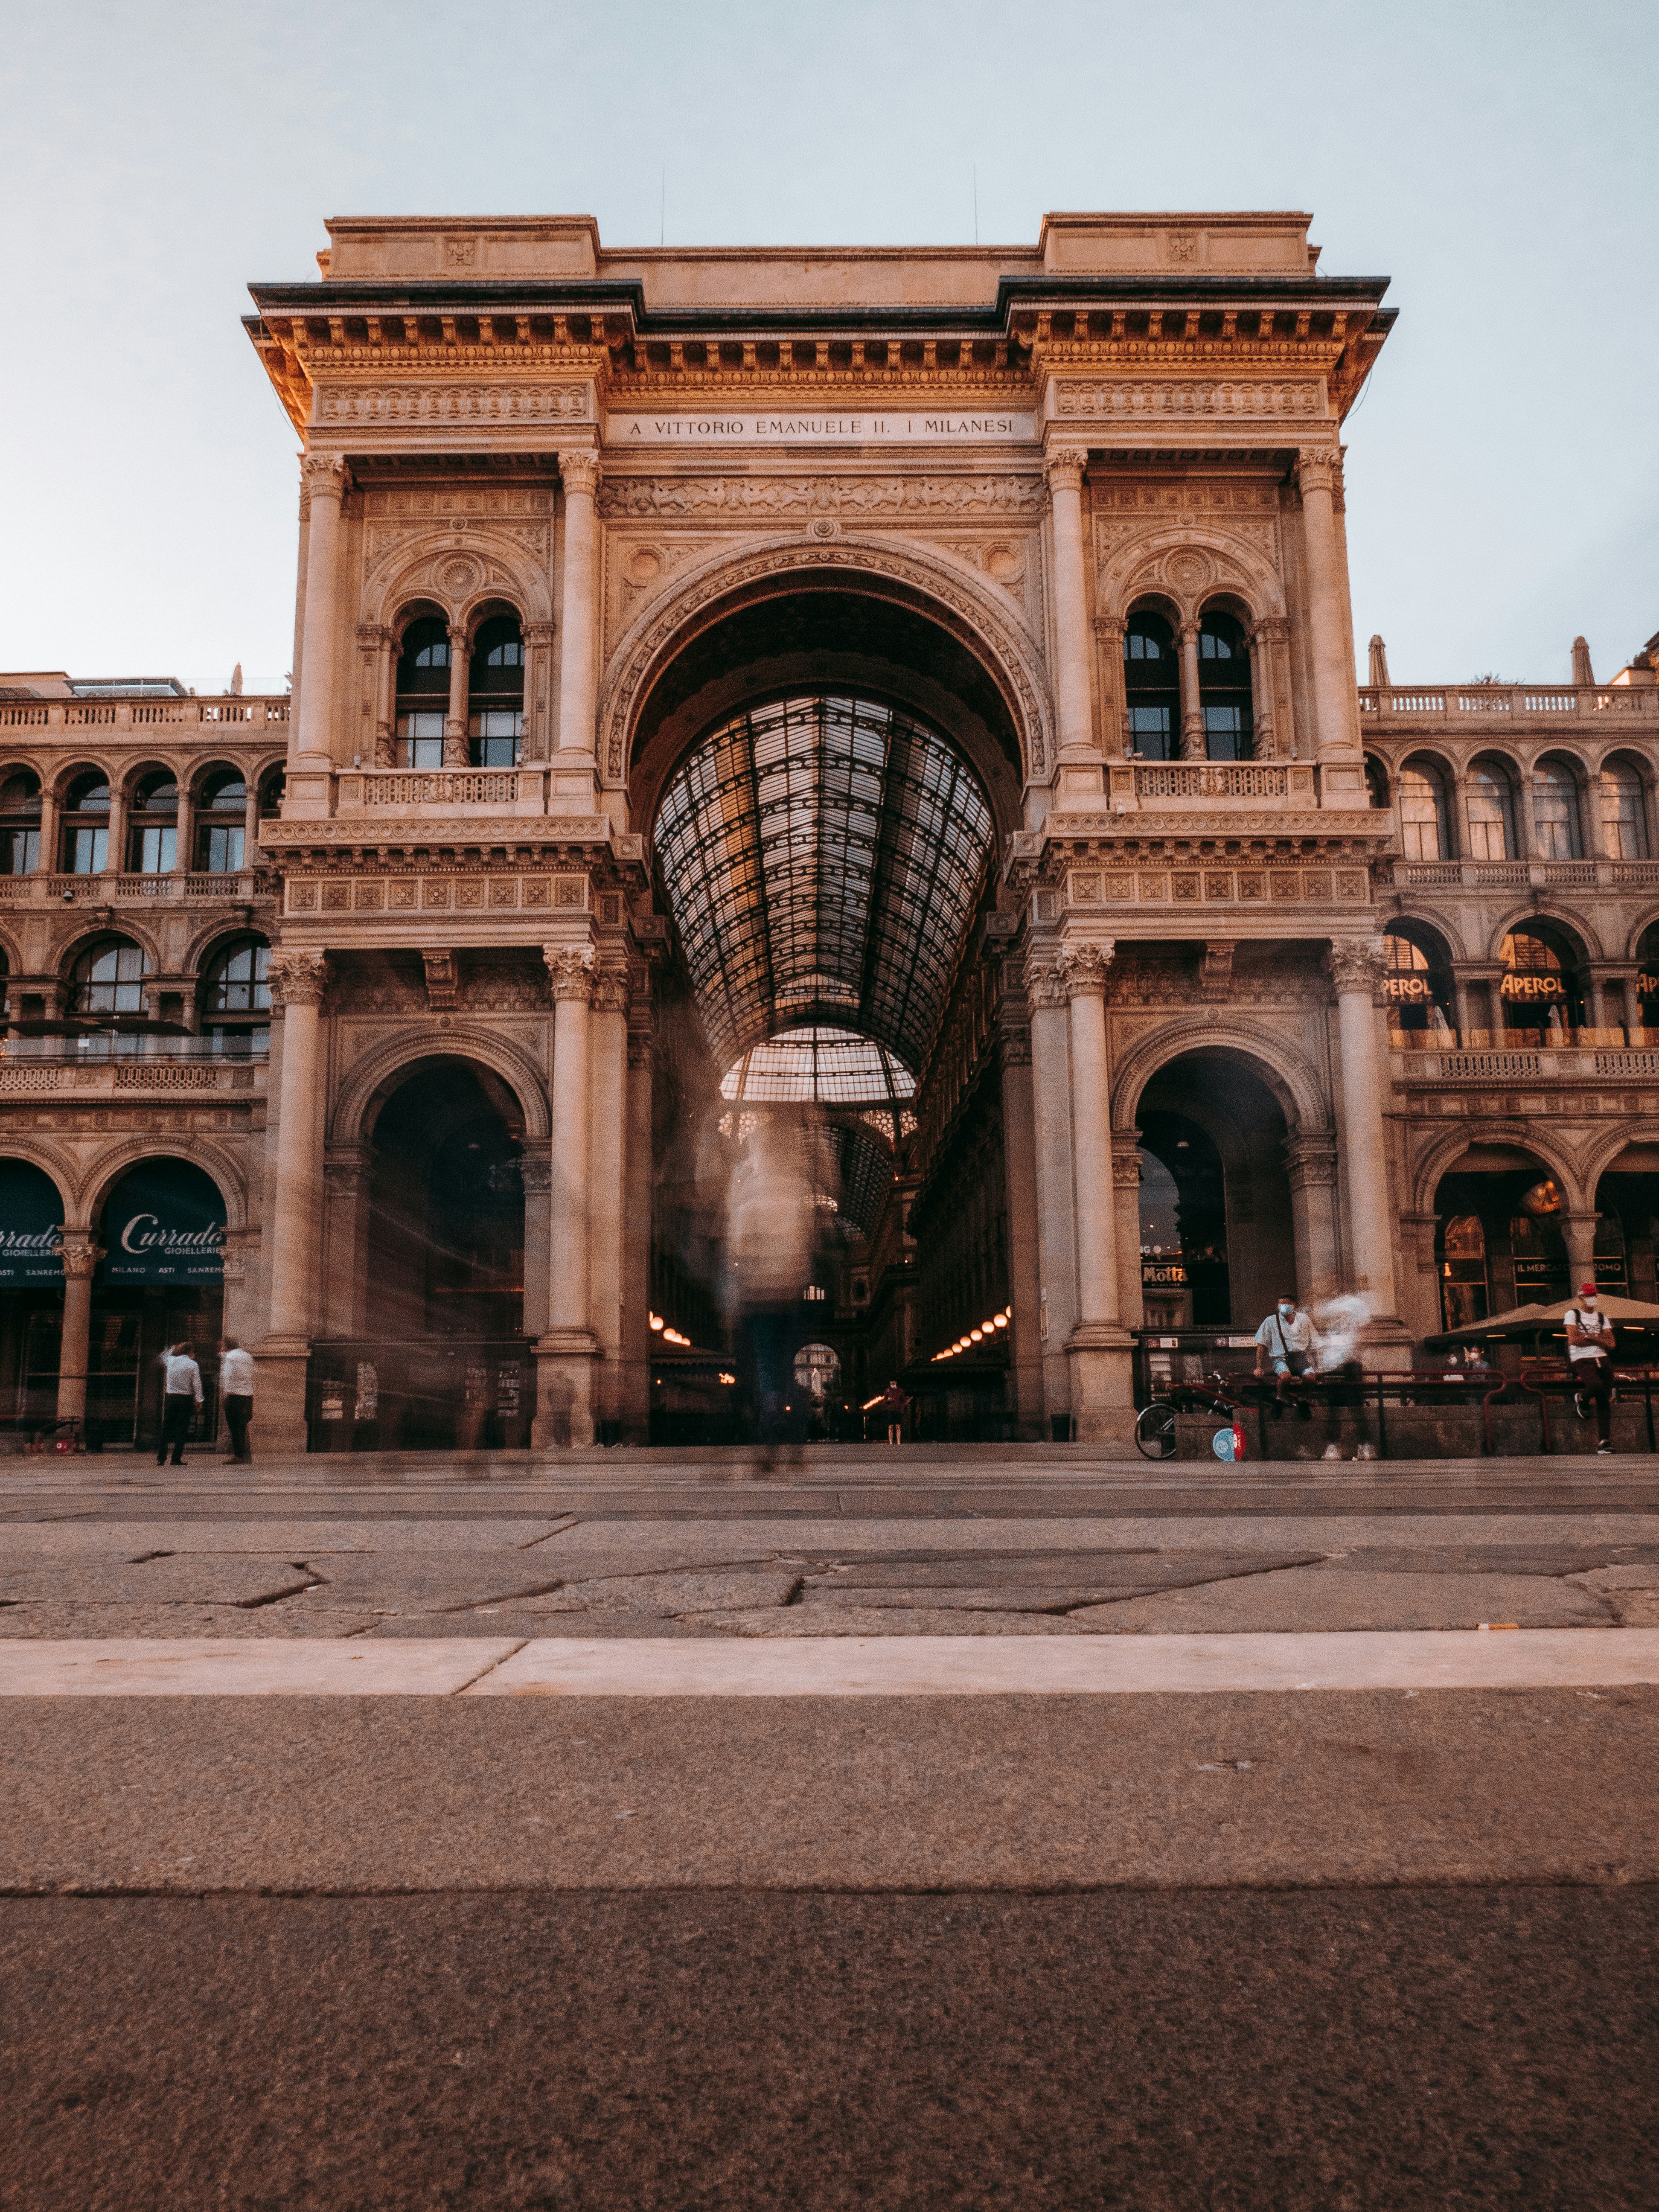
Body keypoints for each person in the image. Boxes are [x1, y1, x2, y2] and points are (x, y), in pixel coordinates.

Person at [1563, 1282, 1616, 1455]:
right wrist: (1599, 1338)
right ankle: (1582, 1397)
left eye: (1594, 1295)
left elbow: (1612, 1344)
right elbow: (1573, 1340)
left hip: (1602, 1358)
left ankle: (1604, 1441)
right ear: (1581, 1298)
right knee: (1596, 1386)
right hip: (1581, 1358)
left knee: (1605, 1399)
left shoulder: (1602, 1318)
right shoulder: (1573, 1315)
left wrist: (1588, 1336)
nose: (1591, 1299)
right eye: (1588, 1296)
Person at [1253, 1296, 1319, 1418]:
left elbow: (1315, 1344)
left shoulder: (1304, 1319)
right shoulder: (1271, 1321)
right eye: (1280, 1304)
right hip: (1281, 1358)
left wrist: (1318, 1366)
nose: (1282, 1306)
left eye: (1285, 1303)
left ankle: (1302, 1399)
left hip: (1299, 1357)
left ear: (1293, 1304)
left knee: (1311, 1378)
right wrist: (1259, 1367)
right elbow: (1261, 1345)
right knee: (1285, 1378)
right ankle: (1280, 1400)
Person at [157, 1341, 203, 1467]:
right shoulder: (193, 1364)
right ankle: (176, 1459)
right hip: (186, 1400)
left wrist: (172, 1349)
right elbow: (197, 1384)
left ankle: (161, 1458)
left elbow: (162, 1356)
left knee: (166, 1428)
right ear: (190, 1352)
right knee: (182, 1429)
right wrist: (199, 1400)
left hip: (171, 1398)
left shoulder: (171, 1361)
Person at [220, 1336, 254, 1464]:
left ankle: (239, 1456)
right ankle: (245, 1455)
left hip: (234, 1395)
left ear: (226, 1346)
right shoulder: (247, 1356)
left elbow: (227, 1376)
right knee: (242, 1426)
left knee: (234, 1427)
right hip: (248, 1395)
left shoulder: (230, 1357)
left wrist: (225, 1394)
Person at [879, 1379, 908, 1446]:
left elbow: (903, 1400)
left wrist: (902, 1407)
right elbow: (884, 1401)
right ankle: (891, 1442)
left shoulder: (901, 1391)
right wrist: (888, 1400)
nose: (892, 1384)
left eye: (893, 1383)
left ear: (896, 1383)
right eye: (891, 1383)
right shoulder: (887, 1390)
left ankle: (898, 1441)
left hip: (898, 1410)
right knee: (891, 1426)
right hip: (890, 1410)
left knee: (898, 1426)